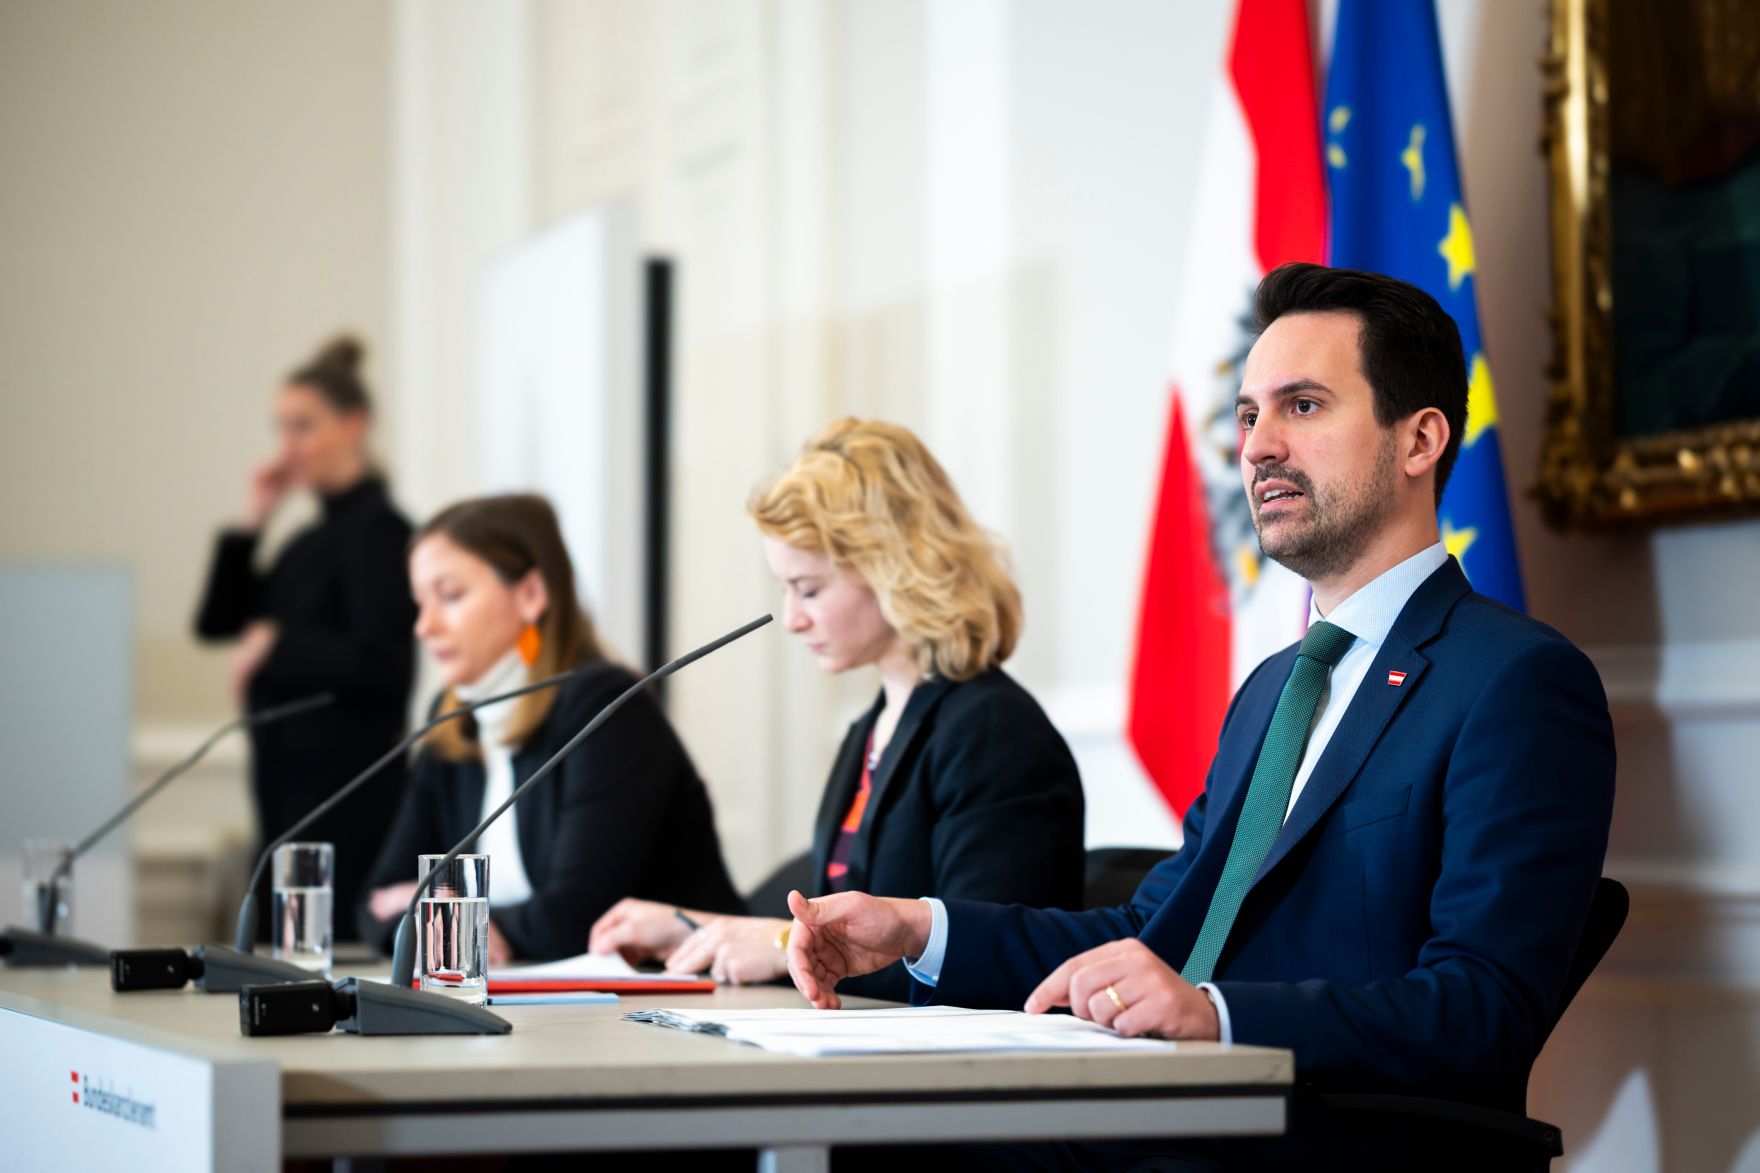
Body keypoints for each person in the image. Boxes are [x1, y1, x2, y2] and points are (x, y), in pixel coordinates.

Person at [782, 266, 1617, 1170]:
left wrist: (1214, 1013)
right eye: (1250, 414)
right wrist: (917, 928)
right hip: (1174, 1114)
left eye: (1301, 406)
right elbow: (1152, 927)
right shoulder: (1271, 690)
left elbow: (1480, 1008)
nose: (1256, 446)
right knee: (889, 1128)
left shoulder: (1518, 682)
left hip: (1325, 1138)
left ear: (1419, 440)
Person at [590, 419, 1086, 999]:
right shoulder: (874, 726)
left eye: (809, 589)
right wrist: (693, 926)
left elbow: (983, 955)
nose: (793, 619)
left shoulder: (993, 731)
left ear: (894, 569)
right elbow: (833, 904)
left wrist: (779, 945)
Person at [356, 494, 743, 963]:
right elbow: (375, 904)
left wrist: (449, 918)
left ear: (531, 595)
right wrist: (452, 924)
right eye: (420, 603)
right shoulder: (454, 724)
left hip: (686, 1002)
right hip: (540, 1007)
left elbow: (574, 920)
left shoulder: (606, 708)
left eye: (451, 596)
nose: (424, 626)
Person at [195, 335, 416, 939]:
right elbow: (216, 623)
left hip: (347, 804)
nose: (287, 448)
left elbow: (386, 666)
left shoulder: (382, 534)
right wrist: (255, 517)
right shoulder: (305, 542)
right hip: (286, 795)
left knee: (320, 968)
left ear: (355, 425)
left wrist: (276, 644)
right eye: (281, 429)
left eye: (304, 427)